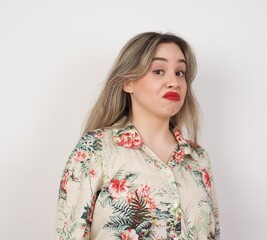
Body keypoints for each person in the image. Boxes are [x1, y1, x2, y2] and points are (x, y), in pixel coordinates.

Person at [56, 32, 220, 240]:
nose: (174, 82)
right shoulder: (95, 150)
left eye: (180, 73)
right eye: (159, 71)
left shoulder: (197, 159)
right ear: (128, 83)